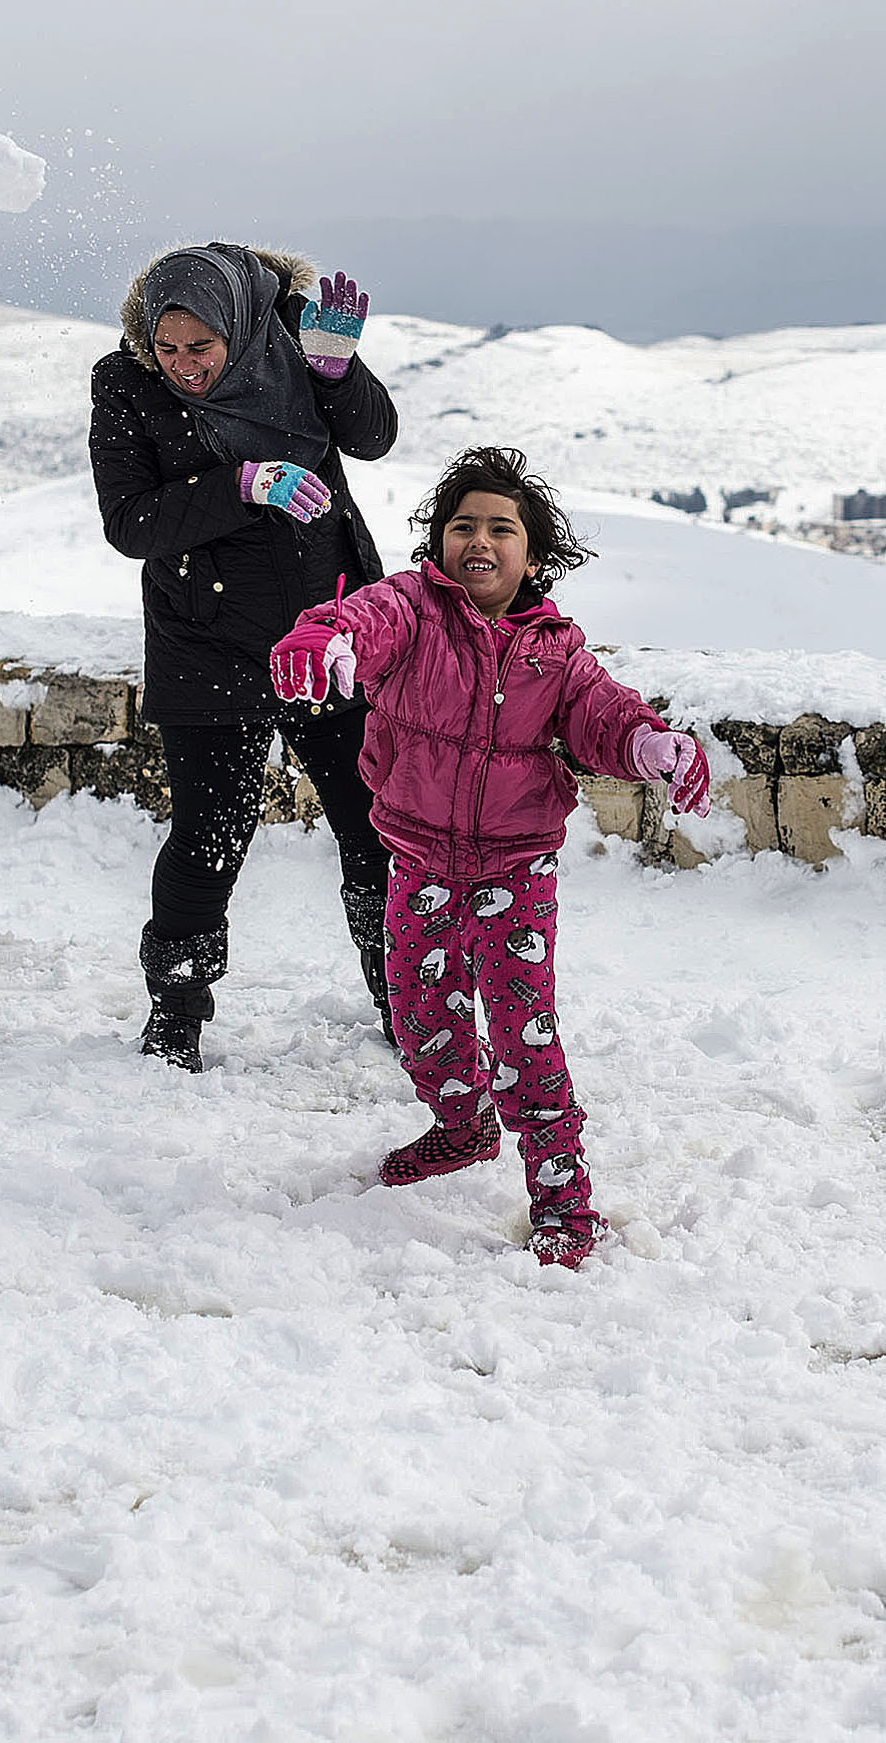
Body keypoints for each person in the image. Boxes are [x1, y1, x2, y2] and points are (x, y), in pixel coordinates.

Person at [269, 447, 714, 1267]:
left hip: (516, 869)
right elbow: (365, 620)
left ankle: (564, 1202)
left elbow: (604, 716)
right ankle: (462, 1126)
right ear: (439, 543)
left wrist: (652, 745)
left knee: (522, 1039)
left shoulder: (556, 651)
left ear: (533, 556)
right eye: (462, 525)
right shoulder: (414, 609)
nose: (479, 539)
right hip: (419, 861)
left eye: (501, 528)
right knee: (420, 1021)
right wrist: (326, 635)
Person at [88, 243, 399, 1069]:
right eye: (168, 347)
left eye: (202, 346)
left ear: (238, 324)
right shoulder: (125, 382)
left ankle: (405, 1001)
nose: (185, 365)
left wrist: (338, 372)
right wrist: (242, 485)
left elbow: (374, 438)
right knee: (208, 840)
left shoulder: (294, 335)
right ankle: (176, 1014)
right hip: (206, 644)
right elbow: (130, 521)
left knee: (373, 825)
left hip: (327, 631)